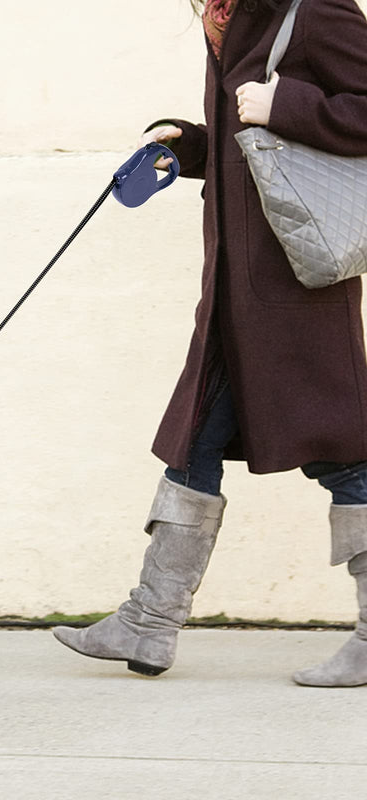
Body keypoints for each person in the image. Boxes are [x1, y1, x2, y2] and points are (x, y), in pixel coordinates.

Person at [53, 0, 367, 687]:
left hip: (294, 290)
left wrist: (287, 105)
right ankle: (149, 621)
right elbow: (249, 144)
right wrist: (188, 144)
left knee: (344, 455)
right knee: (194, 442)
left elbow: (332, 113)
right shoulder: (230, 18)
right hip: (234, 290)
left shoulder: (313, 8)